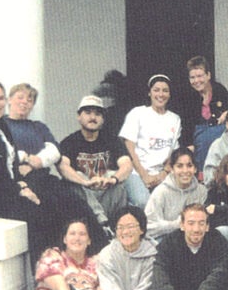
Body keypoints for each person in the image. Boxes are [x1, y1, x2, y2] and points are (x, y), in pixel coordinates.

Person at [0, 79, 105, 255]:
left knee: (73, 202)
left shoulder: (2, 125)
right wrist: (21, 186)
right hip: (1, 194)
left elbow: (51, 151)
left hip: (23, 182)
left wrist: (27, 174)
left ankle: (98, 254)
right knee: (44, 211)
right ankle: (48, 269)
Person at [58, 95, 132, 233]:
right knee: (76, 176)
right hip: (83, 202)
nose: (93, 117)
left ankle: (118, 225)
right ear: (78, 116)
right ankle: (102, 223)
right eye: (88, 112)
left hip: (105, 193)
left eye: (98, 114)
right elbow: (63, 167)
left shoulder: (112, 140)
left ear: (102, 119)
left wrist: (112, 179)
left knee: (118, 181)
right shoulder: (69, 142)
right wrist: (84, 182)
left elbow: (127, 165)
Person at [119, 74, 181, 208]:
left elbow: (174, 152)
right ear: (149, 92)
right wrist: (144, 175)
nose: (161, 94)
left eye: (165, 90)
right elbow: (129, 146)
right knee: (143, 203)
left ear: (169, 94)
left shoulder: (175, 119)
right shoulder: (138, 113)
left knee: (171, 204)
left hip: (163, 174)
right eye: (156, 90)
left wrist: (164, 173)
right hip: (136, 172)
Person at [179, 56, 228, 171]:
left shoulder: (219, 89)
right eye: (192, 77)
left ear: (208, 75)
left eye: (200, 76)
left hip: (220, 133)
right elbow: (187, 126)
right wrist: (188, 145)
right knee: (203, 139)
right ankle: (202, 173)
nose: (196, 81)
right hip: (198, 136)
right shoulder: (188, 97)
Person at [145, 147, 207, 242]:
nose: (185, 171)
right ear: (172, 169)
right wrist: (177, 224)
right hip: (165, 241)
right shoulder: (161, 192)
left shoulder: (202, 191)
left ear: (195, 169)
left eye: (189, 165)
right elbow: (149, 227)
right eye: (180, 166)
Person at [4, 83, 60, 177]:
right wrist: (22, 157)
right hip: (12, 179)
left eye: (29, 100)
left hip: (41, 178)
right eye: (20, 97)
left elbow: (54, 151)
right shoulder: (0, 125)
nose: (25, 102)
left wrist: (35, 162)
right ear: (9, 100)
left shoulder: (39, 127)